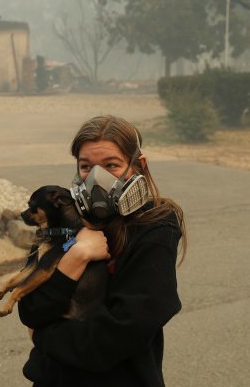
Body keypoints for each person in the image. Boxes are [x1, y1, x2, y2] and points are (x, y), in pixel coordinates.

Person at [18, 115, 187, 386]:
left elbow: (121, 333)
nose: (97, 178)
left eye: (111, 165)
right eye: (86, 167)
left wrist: (43, 337)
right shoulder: (64, 222)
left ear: (139, 166)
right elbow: (30, 310)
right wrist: (76, 256)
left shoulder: (154, 228)